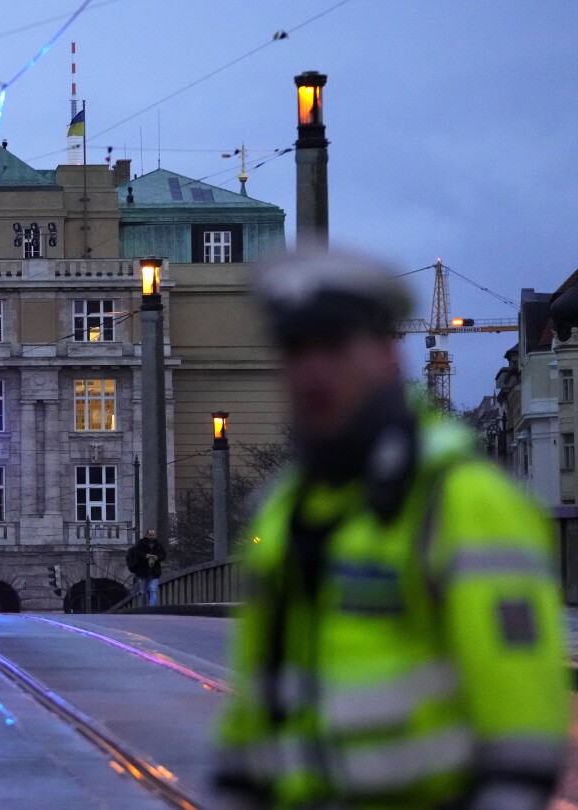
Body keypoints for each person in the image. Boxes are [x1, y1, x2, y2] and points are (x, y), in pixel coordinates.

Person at [212, 251, 570, 809]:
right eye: (295, 350)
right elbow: (256, 707)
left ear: (386, 355)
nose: (312, 371)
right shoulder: (285, 509)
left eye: (333, 347)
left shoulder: (464, 500)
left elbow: (522, 729)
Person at [126, 528, 166, 607]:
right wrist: (145, 556)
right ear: (147, 535)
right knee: (143, 592)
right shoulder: (141, 543)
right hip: (143, 572)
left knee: (153, 589)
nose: (151, 537)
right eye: (150, 535)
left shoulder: (158, 544)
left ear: (155, 535)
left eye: (153, 535)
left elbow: (163, 555)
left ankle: (152, 609)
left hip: (155, 572)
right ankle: (144, 609)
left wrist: (157, 557)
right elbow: (136, 552)